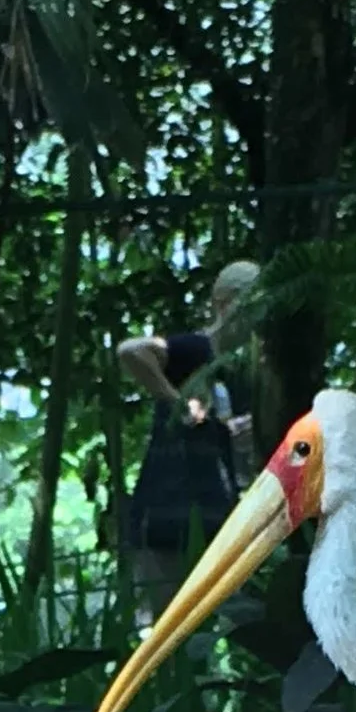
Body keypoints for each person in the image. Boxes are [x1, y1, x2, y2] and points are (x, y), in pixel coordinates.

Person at [116, 260, 259, 606]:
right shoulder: (195, 349)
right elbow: (131, 351)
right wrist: (177, 402)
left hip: (218, 519)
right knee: (161, 628)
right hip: (163, 514)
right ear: (222, 303)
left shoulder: (248, 369)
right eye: (244, 300)